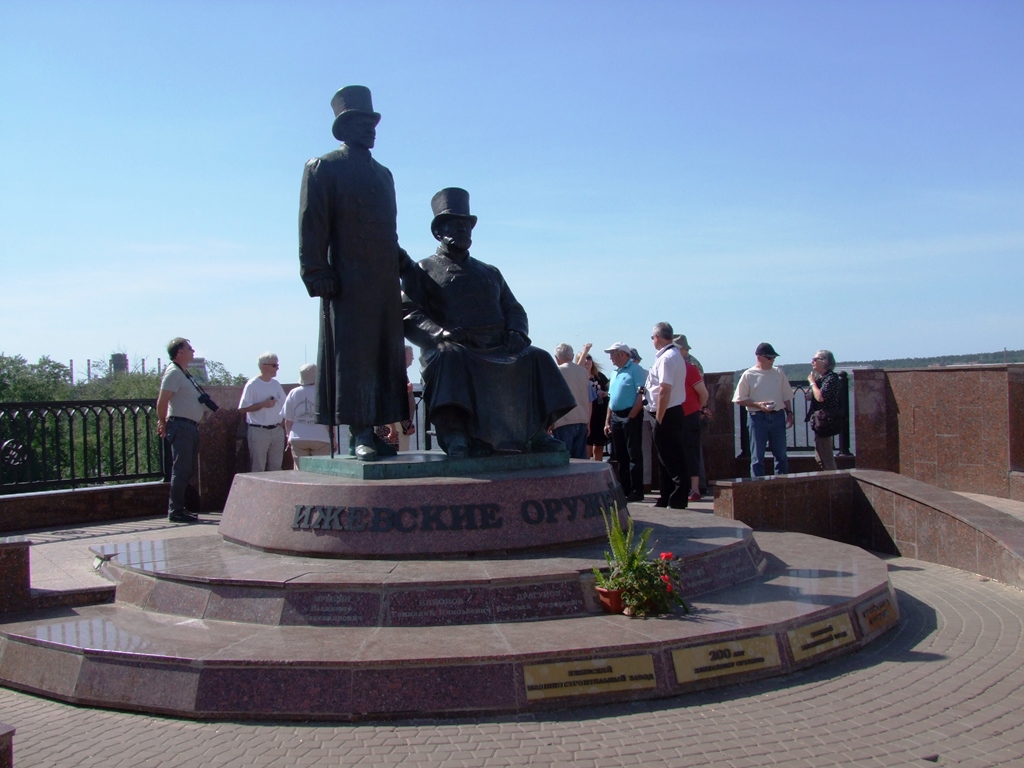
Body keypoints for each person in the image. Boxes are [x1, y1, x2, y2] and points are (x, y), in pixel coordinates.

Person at [403, 188, 575, 458]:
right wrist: (440, 333)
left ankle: (536, 433)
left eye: (466, 226)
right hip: (456, 345)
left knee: (536, 357)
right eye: (455, 225)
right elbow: (409, 312)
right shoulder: (422, 269)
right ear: (439, 232)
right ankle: (456, 433)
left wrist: (516, 331)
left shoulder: (489, 272)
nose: (463, 231)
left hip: (498, 345)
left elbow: (514, 308)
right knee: (451, 357)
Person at [299, 85, 412, 461]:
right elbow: (312, 225)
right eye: (363, 122)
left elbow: (389, 232)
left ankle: (379, 428)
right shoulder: (324, 167)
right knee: (355, 356)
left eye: (373, 122)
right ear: (344, 128)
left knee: (384, 354)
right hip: (347, 281)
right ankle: (359, 432)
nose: (371, 129)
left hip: (383, 281)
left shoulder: (384, 175)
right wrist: (317, 271)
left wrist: (405, 267)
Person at [156, 338, 209, 523]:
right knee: (181, 469)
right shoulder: (173, 373)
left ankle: (182, 508)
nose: (193, 351)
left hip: (190, 427)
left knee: (186, 470)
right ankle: (176, 510)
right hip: (181, 426)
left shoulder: (183, 373)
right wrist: (162, 422)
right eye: (189, 348)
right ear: (179, 352)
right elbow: (162, 401)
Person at [733, 342, 794, 477]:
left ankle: (781, 484)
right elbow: (739, 399)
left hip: (777, 416)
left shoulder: (778, 373)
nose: (772, 360)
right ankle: (757, 486)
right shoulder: (749, 374)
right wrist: (758, 405)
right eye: (769, 358)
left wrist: (789, 413)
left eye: (773, 358)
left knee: (781, 455)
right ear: (759, 357)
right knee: (757, 457)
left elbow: (786, 395)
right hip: (757, 417)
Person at [645, 323, 690, 509]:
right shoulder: (676, 356)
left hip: (667, 412)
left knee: (671, 458)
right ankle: (666, 496)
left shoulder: (667, 358)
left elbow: (664, 389)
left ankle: (678, 497)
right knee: (665, 458)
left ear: (657, 337)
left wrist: (660, 417)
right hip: (672, 411)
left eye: (652, 337)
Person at [603, 342, 646, 502]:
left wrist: (632, 415)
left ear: (622, 354)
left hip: (630, 414)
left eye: (612, 353)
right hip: (616, 416)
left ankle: (637, 490)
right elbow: (611, 398)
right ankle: (624, 488)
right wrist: (607, 420)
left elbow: (641, 394)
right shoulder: (614, 372)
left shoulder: (636, 370)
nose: (610, 357)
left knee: (633, 453)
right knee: (620, 455)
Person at [238, 352, 286, 472]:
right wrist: (263, 405)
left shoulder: (276, 384)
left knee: (276, 468)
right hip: (259, 431)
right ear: (264, 366)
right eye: (274, 365)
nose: (277, 368)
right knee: (258, 467)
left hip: (277, 430)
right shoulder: (252, 384)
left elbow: (285, 405)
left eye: (277, 365)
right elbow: (242, 408)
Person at [284, 363, 332, 467]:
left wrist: (288, 436)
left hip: (298, 437)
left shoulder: (293, 392)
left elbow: (288, 419)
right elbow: (328, 420)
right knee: (320, 470)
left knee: (300, 471)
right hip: (320, 437)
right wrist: (333, 439)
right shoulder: (323, 393)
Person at [551, 343, 591, 459]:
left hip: (563, 420)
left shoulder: (556, 372)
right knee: (580, 461)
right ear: (572, 356)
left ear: (556, 358)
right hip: (582, 419)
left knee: (563, 460)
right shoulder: (583, 372)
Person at [806, 349, 841, 471]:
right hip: (819, 422)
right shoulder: (821, 379)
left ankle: (833, 483)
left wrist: (812, 383)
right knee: (820, 457)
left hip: (826, 422)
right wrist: (814, 383)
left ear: (825, 361)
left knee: (826, 457)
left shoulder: (831, 378)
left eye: (815, 359)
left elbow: (820, 397)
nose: (812, 361)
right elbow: (809, 396)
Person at [577, 344, 610, 461]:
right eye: (584, 358)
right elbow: (576, 368)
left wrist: (605, 394)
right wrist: (585, 351)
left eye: (589, 358)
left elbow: (610, 390)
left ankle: (599, 471)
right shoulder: (580, 376)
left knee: (599, 445)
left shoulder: (600, 376)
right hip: (587, 415)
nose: (587, 360)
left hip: (600, 414)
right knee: (587, 445)